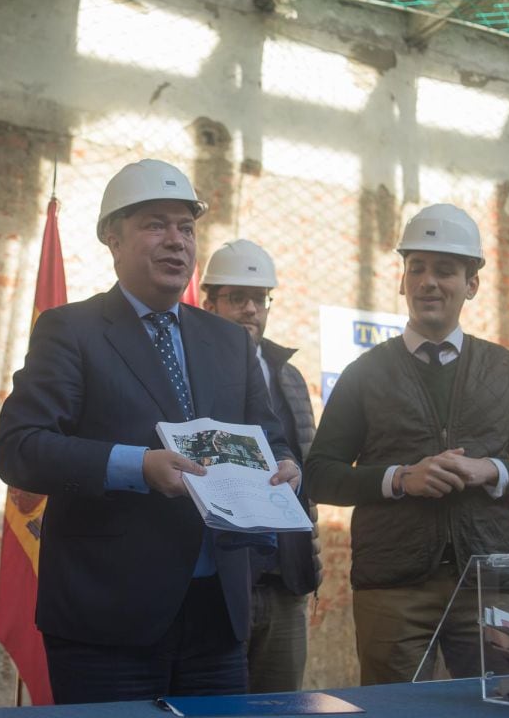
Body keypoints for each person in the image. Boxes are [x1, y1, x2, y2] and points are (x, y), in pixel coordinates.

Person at [0, 159, 300, 704]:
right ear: (112, 237)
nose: (176, 242)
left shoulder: (229, 342)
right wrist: (137, 466)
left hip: (218, 617)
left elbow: (269, 437)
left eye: (186, 227)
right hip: (108, 619)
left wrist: (284, 466)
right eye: (155, 225)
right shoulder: (71, 331)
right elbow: (21, 450)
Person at [306, 203, 509, 686]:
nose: (428, 281)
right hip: (392, 589)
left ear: (471, 284)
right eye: (417, 268)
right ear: (402, 280)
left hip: (489, 583)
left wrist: (492, 470)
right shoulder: (365, 374)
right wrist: (400, 479)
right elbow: (320, 473)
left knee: (497, 706)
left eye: (445, 270)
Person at [200, 239, 322, 693]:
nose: (250, 309)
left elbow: (304, 476)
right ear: (209, 303)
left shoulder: (287, 375)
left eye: (259, 299)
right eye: (237, 297)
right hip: (219, 580)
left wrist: (309, 569)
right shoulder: (190, 369)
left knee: (282, 705)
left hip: (284, 579)